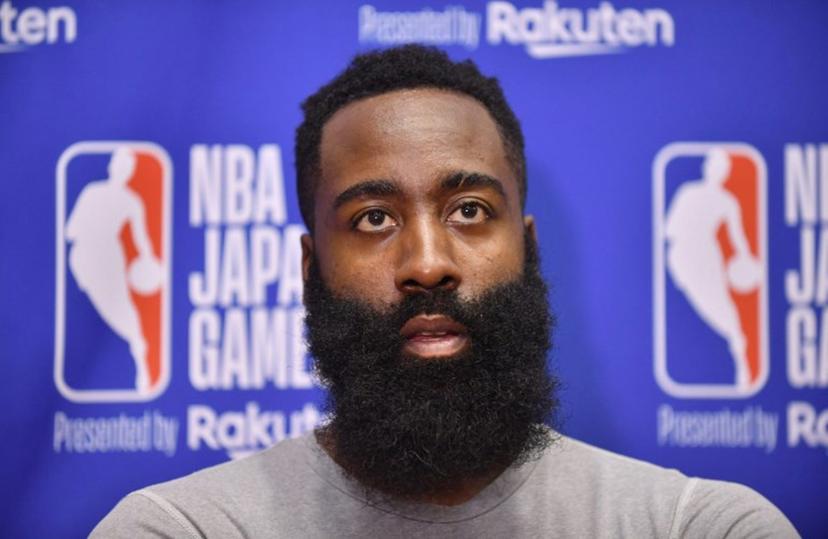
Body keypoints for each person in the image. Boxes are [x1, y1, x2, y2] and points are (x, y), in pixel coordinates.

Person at [92, 45, 797, 537]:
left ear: (529, 249)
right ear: (310, 272)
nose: (427, 263)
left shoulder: (695, 525)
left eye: (468, 211)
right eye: (373, 218)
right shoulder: (182, 528)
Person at [665, 148, 762, 391]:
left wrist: (746, 260)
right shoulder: (688, 193)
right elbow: (669, 230)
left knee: (723, 310)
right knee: (712, 309)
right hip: (684, 258)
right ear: (707, 169)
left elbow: (738, 240)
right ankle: (735, 342)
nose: (717, 171)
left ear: (725, 173)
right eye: (714, 166)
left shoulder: (727, 202)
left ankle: (739, 355)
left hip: (707, 258)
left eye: (722, 168)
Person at [66, 147, 160, 394]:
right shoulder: (92, 193)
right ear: (112, 168)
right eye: (120, 165)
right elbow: (70, 231)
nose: (122, 171)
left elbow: (143, 243)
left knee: (126, 316)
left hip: (110, 257)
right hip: (85, 259)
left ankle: (141, 364)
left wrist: (149, 263)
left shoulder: (132, 201)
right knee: (94, 316)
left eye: (127, 167)